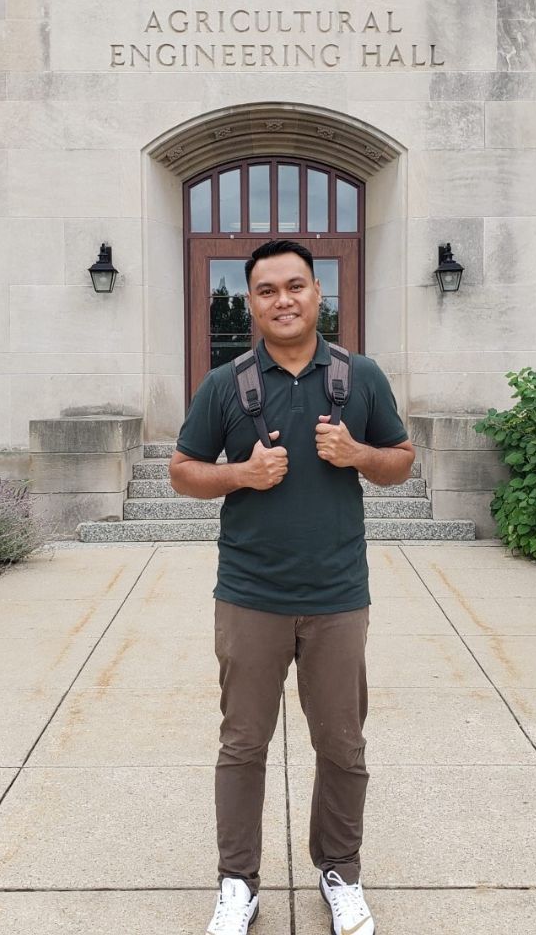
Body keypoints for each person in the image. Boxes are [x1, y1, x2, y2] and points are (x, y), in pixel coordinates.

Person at [170, 239, 415, 935]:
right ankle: (237, 884)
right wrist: (239, 476)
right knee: (243, 745)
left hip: (338, 596)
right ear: (250, 302)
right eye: (267, 290)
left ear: (318, 294)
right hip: (250, 595)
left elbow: (400, 461)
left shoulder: (360, 376)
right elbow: (184, 471)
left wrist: (359, 455)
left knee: (342, 743)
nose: (283, 300)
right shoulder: (226, 384)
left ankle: (340, 872)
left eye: (296, 286)